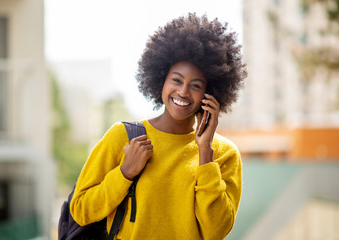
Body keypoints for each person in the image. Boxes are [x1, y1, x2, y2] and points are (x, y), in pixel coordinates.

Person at [70, 13, 247, 240]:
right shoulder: (122, 136)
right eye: (176, 80)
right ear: (161, 79)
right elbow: (81, 211)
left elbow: (216, 232)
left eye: (195, 85)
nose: (183, 92)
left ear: (209, 93)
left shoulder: (224, 154)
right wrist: (124, 173)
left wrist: (205, 153)